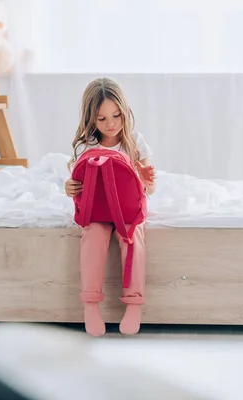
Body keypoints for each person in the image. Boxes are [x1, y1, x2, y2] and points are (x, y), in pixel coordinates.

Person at [64, 77, 156, 337]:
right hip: (97, 211)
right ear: (90, 119)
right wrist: (68, 187)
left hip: (128, 210)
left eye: (116, 115)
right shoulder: (86, 146)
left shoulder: (135, 142)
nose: (111, 123)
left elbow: (149, 187)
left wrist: (147, 181)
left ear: (125, 112)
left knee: (132, 238)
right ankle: (91, 305)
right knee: (92, 237)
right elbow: (77, 184)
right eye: (101, 119)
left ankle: (134, 305)